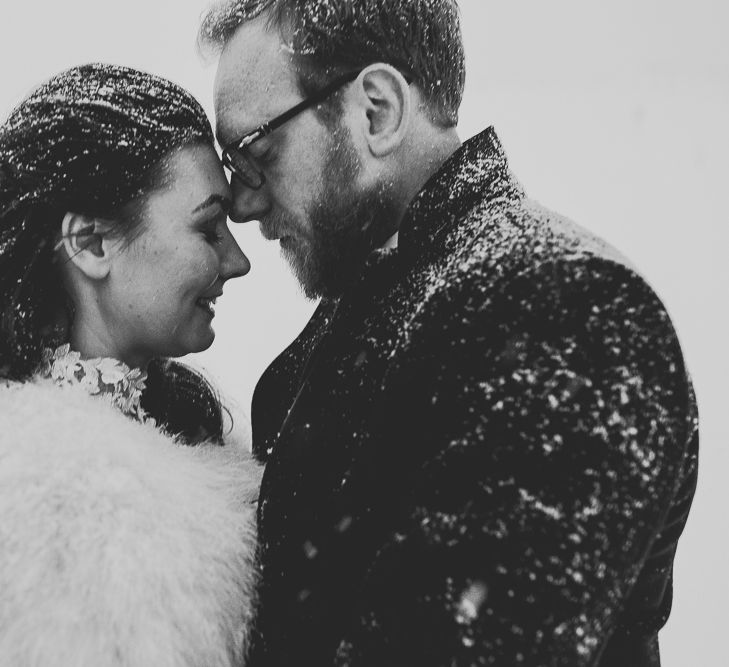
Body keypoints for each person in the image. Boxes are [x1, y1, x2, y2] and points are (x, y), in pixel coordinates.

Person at [201, 1, 699, 666]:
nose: (241, 201)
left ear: (376, 109)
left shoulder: (562, 310)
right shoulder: (368, 311)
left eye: (256, 153)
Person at [0, 63, 261, 666]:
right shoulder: (33, 502)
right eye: (208, 227)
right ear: (91, 244)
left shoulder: (204, 450)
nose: (238, 260)